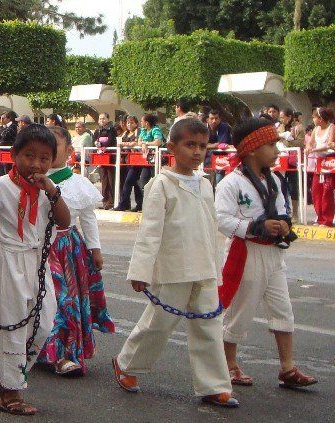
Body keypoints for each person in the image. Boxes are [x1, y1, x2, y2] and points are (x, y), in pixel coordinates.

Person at [112, 118, 239, 408]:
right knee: (159, 322)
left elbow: (210, 225)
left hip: (204, 268)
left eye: (202, 146)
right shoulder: (161, 185)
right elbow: (150, 232)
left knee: (209, 326)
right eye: (189, 145)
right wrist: (140, 271)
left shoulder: (206, 184)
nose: (197, 152)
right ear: (172, 147)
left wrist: (216, 266)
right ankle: (127, 364)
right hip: (172, 268)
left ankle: (215, 385)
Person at [0, 124, 72, 415]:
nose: (36, 164)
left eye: (44, 158)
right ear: (14, 155)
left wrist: (52, 191)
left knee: (45, 324)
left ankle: (6, 366)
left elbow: (64, 222)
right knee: (12, 325)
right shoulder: (1, 186)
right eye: (29, 156)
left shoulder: (49, 189)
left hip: (39, 263)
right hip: (11, 260)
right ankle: (10, 393)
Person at [215, 118, 317, 390]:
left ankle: (287, 367)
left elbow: (283, 208)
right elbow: (222, 220)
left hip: (273, 255)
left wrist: (284, 223)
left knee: (282, 308)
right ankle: (229, 364)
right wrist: (254, 226)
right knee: (241, 310)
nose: (277, 150)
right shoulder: (231, 183)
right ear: (251, 149)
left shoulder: (274, 179)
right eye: (271, 145)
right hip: (246, 253)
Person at [40, 126, 113, 376]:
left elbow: (88, 218)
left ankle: (64, 354)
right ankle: (39, 349)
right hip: (37, 250)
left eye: (54, 146)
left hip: (66, 250)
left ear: (69, 151)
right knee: (41, 302)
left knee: (65, 302)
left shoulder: (77, 183)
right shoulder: (30, 179)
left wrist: (95, 249)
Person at [308, 107, 335, 226]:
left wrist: (314, 149)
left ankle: (327, 220)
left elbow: (329, 145)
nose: (313, 119)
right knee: (316, 189)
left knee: (327, 190)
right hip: (319, 161)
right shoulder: (316, 129)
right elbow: (310, 143)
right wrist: (308, 148)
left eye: (314, 117)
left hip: (330, 160)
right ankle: (319, 217)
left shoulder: (332, 128)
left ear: (320, 118)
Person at [115, 116, 143, 211]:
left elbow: (136, 143)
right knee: (128, 182)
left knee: (130, 182)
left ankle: (126, 204)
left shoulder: (138, 131)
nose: (129, 125)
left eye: (131, 123)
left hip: (136, 161)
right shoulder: (125, 133)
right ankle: (128, 204)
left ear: (136, 123)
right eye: (128, 123)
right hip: (126, 161)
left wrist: (124, 144)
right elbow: (119, 143)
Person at [93, 113, 118, 209]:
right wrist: (97, 144)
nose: (102, 120)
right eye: (100, 119)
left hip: (110, 157)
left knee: (111, 179)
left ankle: (111, 202)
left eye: (103, 118)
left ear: (108, 119)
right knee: (104, 179)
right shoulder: (98, 130)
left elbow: (111, 141)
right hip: (101, 157)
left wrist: (104, 146)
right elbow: (94, 140)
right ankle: (105, 201)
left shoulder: (111, 129)